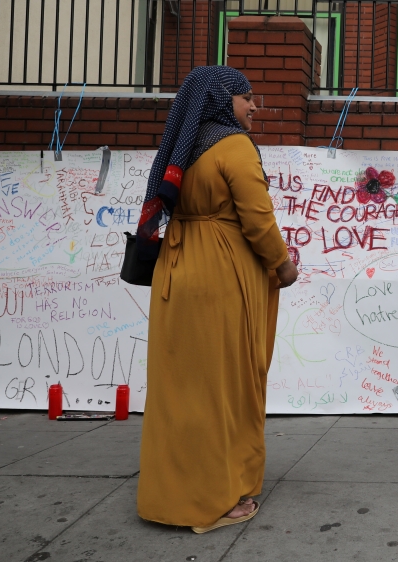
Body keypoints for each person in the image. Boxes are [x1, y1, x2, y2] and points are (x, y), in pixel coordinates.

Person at [135, 66, 298, 533]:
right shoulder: (233, 146)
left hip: (177, 270)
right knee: (222, 387)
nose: (253, 107)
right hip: (221, 275)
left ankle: (168, 494)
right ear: (223, 101)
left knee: (180, 389)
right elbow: (258, 218)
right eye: (247, 98)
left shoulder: (183, 149)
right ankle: (217, 496)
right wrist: (283, 265)